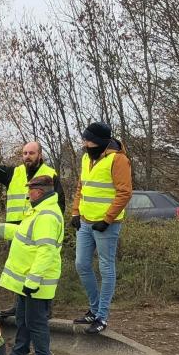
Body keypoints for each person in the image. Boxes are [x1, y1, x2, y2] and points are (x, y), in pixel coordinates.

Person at [0, 175, 64, 355]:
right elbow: (21, 232)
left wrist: (33, 281)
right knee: (24, 320)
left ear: (40, 191)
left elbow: (46, 251)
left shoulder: (47, 216)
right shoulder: (38, 212)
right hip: (29, 280)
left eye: (30, 190)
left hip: (37, 282)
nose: (27, 193)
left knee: (36, 322)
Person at [70, 121, 132, 334]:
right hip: (86, 221)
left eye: (88, 140)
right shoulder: (87, 157)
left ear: (99, 142)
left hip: (107, 225)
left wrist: (107, 219)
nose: (85, 143)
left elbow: (124, 193)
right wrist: (75, 212)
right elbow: (81, 187)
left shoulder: (118, 160)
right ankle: (94, 309)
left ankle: (102, 316)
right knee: (81, 264)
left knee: (106, 268)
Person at [0, 140, 64, 221]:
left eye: (31, 153)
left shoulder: (50, 174)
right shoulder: (14, 173)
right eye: (25, 153)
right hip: (14, 230)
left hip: (38, 228)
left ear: (40, 155)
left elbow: (60, 203)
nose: (27, 156)